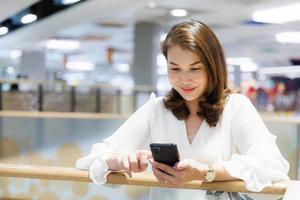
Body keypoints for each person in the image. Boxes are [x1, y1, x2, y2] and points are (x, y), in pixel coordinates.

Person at [76, 20, 289, 199]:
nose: (184, 79)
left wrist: (206, 173)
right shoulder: (156, 109)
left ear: (213, 66)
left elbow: (273, 165)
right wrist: (119, 160)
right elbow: (89, 162)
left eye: (195, 69)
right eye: (174, 68)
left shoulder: (236, 107)